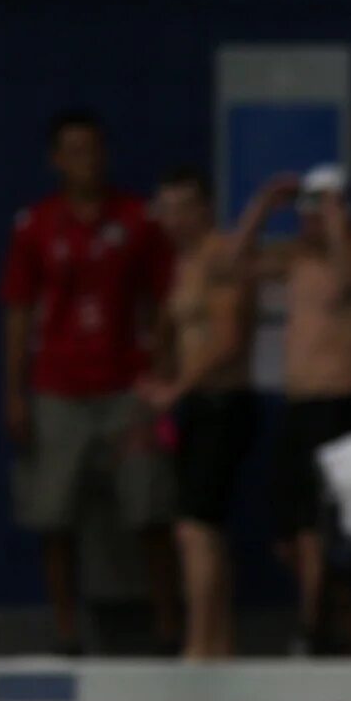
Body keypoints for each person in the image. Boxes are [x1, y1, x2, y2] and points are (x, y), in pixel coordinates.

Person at [1, 109, 176, 655]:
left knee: (150, 510)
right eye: (74, 150)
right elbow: (18, 312)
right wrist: (14, 393)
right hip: (57, 387)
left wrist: (161, 379)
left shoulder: (139, 219)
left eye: (95, 149)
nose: (87, 160)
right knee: (54, 516)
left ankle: (169, 626)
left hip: (128, 387)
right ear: (56, 160)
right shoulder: (35, 225)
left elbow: (165, 304)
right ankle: (67, 630)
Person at [254, 165, 351, 652]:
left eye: (317, 212)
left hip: (337, 403)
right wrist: (262, 205)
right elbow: (231, 266)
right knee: (286, 540)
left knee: (316, 528)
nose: (307, 222)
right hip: (297, 406)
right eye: (306, 213)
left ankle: (311, 629)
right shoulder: (297, 260)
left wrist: (335, 219)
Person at [135, 168, 269, 660]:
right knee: (202, 530)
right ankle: (219, 645)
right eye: (165, 207)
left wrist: (176, 388)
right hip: (196, 404)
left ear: (204, 209)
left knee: (195, 529)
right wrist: (161, 381)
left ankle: (199, 647)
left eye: (182, 207)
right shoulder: (184, 263)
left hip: (223, 403)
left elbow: (228, 341)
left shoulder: (222, 258)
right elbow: (181, 338)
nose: (172, 218)